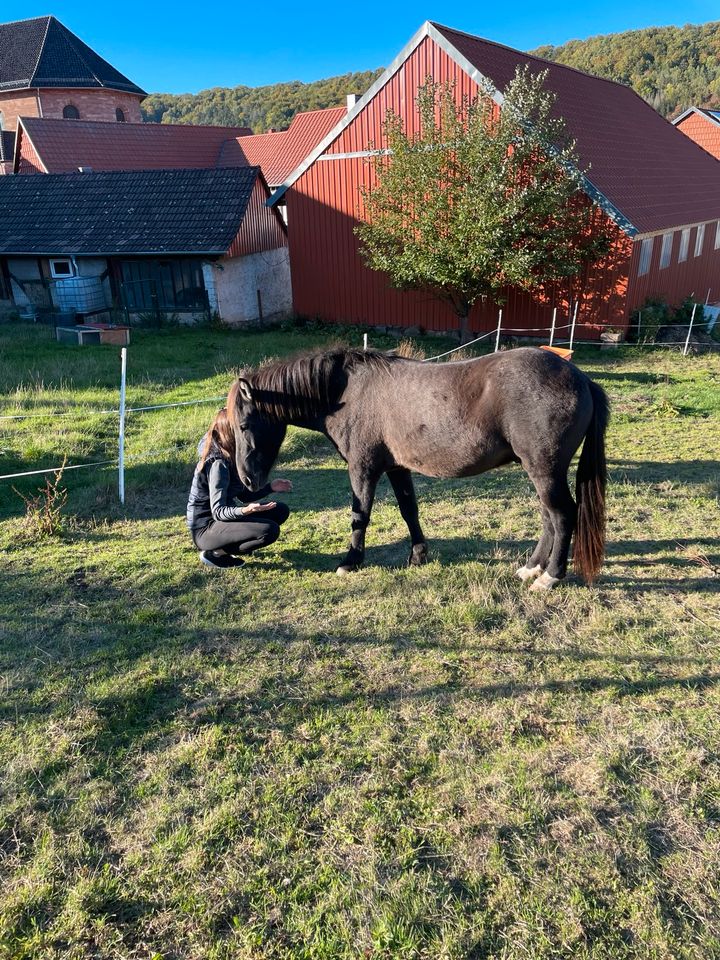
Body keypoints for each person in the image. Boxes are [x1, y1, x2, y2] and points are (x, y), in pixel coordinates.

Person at [186, 406, 292, 569]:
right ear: (230, 433)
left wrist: (271, 487)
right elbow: (219, 511)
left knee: (280, 510)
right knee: (269, 531)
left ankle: (228, 544)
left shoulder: (230, 453)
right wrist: (245, 511)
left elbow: (243, 496)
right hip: (205, 529)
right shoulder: (218, 464)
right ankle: (217, 553)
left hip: (221, 521)